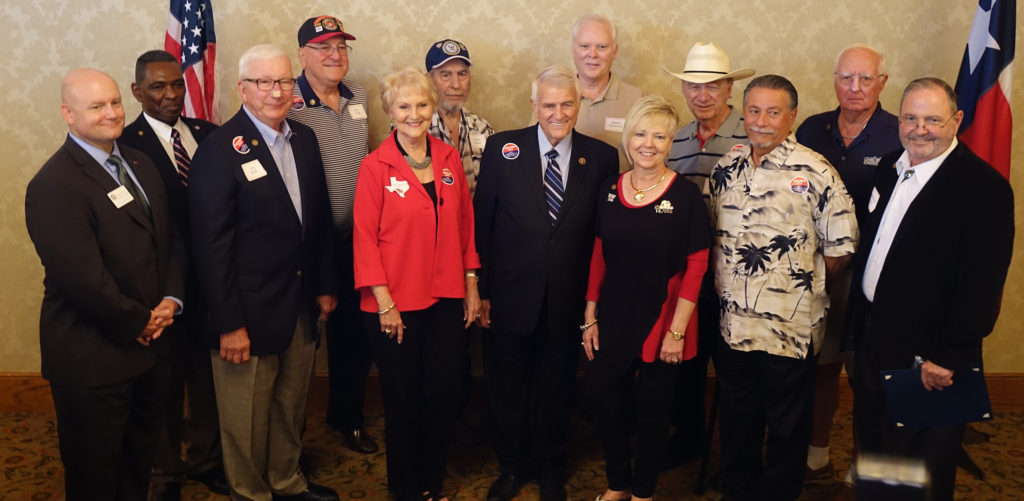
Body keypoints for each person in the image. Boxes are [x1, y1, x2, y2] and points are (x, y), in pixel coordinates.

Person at [846, 77, 1014, 501]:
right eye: (910, 118)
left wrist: (949, 355)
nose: (920, 129)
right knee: (880, 456)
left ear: (956, 121)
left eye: (932, 120)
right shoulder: (890, 166)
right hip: (874, 339)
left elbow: (982, 283)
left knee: (922, 472)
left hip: (933, 357)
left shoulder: (984, 189)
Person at [25, 67, 183, 500]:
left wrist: (171, 299)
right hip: (92, 359)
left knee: (136, 467)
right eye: (96, 106)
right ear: (68, 114)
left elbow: (168, 239)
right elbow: (81, 280)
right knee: (95, 478)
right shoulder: (54, 185)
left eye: (115, 102)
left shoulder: (139, 162)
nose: (112, 113)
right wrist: (140, 321)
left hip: (149, 352)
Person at [189, 44, 338, 501]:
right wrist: (228, 325)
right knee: (245, 418)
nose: (276, 91)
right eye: (264, 82)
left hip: (299, 305)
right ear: (243, 89)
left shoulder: (304, 140)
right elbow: (210, 250)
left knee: (289, 407)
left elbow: (318, 222)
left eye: (285, 81)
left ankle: (286, 481)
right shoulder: (219, 151)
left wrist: (326, 288)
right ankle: (250, 493)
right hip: (246, 316)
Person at [708, 75, 858, 501]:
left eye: (773, 112)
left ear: (792, 116)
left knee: (788, 423)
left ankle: (778, 493)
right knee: (738, 417)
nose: (761, 121)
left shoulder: (816, 170)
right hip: (734, 327)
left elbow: (841, 247)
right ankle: (737, 489)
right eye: (753, 110)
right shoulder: (726, 168)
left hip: (789, 331)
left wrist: (795, 288)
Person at [474, 65, 619, 501]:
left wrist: (595, 302)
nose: (558, 113)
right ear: (534, 105)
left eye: (567, 104)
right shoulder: (503, 148)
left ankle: (552, 471)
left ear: (578, 105)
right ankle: (512, 467)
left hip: (567, 298)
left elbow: (602, 235)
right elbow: (483, 223)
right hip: (508, 296)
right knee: (508, 388)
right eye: (549, 104)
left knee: (556, 389)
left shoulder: (601, 156)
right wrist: (479, 289)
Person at [352, 67, 481, 501]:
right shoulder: (375, 166)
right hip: (395, 305)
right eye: (404, 106)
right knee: (403, 401)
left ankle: (432, 482)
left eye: (422, 105)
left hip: (446, 298)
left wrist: (471, 284)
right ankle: (406, 490)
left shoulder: (446, 158)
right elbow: (364, 238)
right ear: (389, 111)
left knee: (443, 393)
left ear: (433, 107)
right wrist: (385, 302)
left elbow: (465, 225)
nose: (414, 114)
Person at [581, 94, 710, 501]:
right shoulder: (609, 190)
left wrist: (677, 331)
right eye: (640, 133)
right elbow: (598, 255)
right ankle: (617, 483)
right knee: (605, 401)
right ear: (628, 138)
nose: (648, 144)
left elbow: (697, 265)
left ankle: (642, 493)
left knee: (654, 413)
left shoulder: (686, 196)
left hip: (665, 319)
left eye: (659, 136)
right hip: (614, 317)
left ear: (672, 143)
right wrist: (590, 314)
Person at [119, 50, 227, 501]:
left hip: (213, 282)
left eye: (177, 85)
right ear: (138, 91)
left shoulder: (208, 134)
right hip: (162, 288)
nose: (170, 95)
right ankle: (166, 473)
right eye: (158, 86)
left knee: (208, 379)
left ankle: (205, 459)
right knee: (163, 384)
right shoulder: (125, 145)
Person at [794, 43, 900, 483]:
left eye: (865, 78)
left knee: (868, 374)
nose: (854, 88)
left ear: (882, 82)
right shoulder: (810, 130)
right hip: (822, 269)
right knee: (822, 365)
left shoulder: (900, 132)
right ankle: (817, 454)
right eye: (845, 78)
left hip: (877, 271)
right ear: (834, 79)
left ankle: (866, 463)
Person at [660, 41, 755, 466]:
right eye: (694, 86)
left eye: (713, 86)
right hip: (687, 275)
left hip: (736, 277)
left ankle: (736, 461)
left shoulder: (751, 135)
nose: (703, 95)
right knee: (686, 366)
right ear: (683, 89)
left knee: (735, 372)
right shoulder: (674, 139)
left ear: (730, 88)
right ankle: (688, 442)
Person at [287, 14, 378, 455]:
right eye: (323, 47)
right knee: (302, 342)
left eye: (341, 47)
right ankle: (290, 441)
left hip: (355, 242)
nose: (334, 55)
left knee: (354, 336)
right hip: (309, 246)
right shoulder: (287, 102)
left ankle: (348, 417)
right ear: (302, 54)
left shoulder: (358, 96)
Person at [571, 14, 642, 170]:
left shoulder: (638, 100)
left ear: (614, 52)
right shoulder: (553, 98)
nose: (592, 54)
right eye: (584, 46)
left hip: (618, 191)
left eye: (602, 47)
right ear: (573, 49)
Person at [425, 38, 494, 195]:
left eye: (462, 74)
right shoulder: (412, 129)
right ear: (429, 80)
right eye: (445, 75)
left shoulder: (483, 128)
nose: (456, 84)